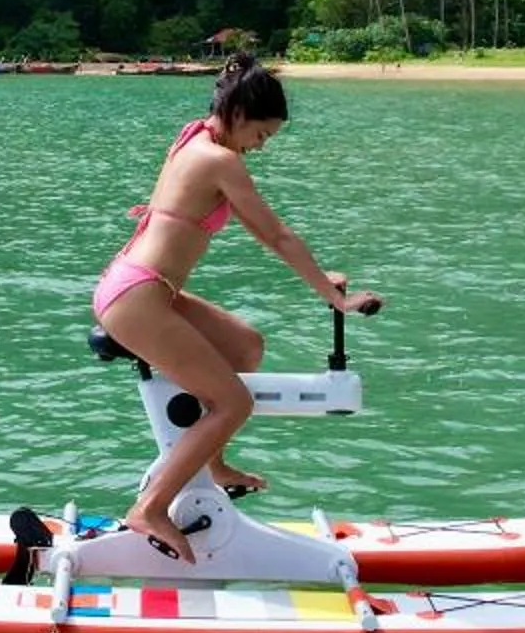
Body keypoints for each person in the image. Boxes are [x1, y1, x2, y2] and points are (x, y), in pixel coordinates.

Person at [91, 53, 377, 564]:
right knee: (234, 404)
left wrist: (318, 277)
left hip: (148, 289)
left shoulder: (198, 135)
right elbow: (275, 234)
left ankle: (213, 463)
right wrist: (333, 297)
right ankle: (150, 508)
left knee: (245, 346)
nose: (261, 147)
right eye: (262, 135)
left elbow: (258, 230)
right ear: (241, 115)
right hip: (137, 297)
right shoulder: (219, 159)